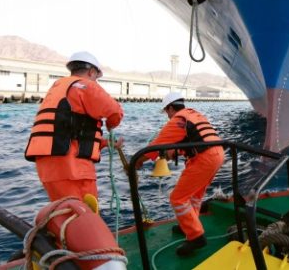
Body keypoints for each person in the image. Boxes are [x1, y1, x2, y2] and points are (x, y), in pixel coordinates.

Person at [25, 51, 124, 203]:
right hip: (72, 169)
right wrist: (111, 125)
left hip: (48, 169)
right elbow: (115, 111)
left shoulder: (58, 87)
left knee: (66, 215)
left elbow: (68, 130)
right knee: (85, 217)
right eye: (96, 78)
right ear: (91, 72)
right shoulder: (86, 85)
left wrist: (105, 143)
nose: (96, 82)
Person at [135, 92, 224, 256]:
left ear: (170, 108)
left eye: (166, 112)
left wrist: (137, 161)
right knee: (194, 196)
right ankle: (189, 226)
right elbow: (192, 141)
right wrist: (174, 152)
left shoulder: (178, 120)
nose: (167, 116)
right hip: (218, 154)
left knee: (177, 198)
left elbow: (155, 145)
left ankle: (196, 236)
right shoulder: (194, 115)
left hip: (204, 158)